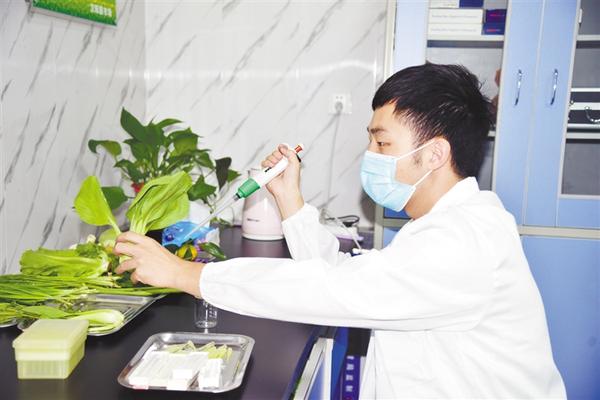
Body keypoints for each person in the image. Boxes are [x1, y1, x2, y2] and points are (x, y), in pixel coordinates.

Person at [114, 63, 566, 399]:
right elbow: (349, 280)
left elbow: (333, 291)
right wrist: (290, 200)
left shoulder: (463, 242)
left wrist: (188, 275)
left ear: (434, 155)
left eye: (382, 142)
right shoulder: (443, 226)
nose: (370, 154)